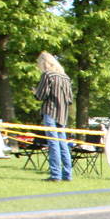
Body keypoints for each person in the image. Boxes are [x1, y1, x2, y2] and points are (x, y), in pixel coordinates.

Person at [34, 52, 73, 182]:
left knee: (53, 143)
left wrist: (35, 92)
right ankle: (67, 174)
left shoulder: (47, 75)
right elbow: (70, 99)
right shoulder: (65, 77)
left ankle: (55, 175)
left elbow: (41, 95)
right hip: (63, 114)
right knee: (63, 144)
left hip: (50, 112)